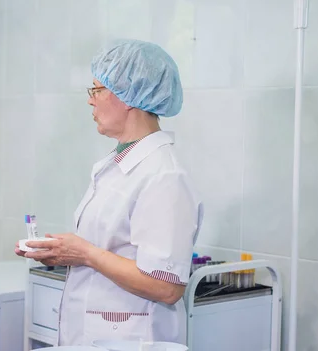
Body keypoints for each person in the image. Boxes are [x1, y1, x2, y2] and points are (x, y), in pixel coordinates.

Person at [16, 39, 203, 346]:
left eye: (97, 90)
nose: (91, 100)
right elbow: (114, 251)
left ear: (128, 95)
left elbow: (166, 287)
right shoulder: (116, 165)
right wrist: (63, 253)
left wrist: (85, 253)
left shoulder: (164, 176)